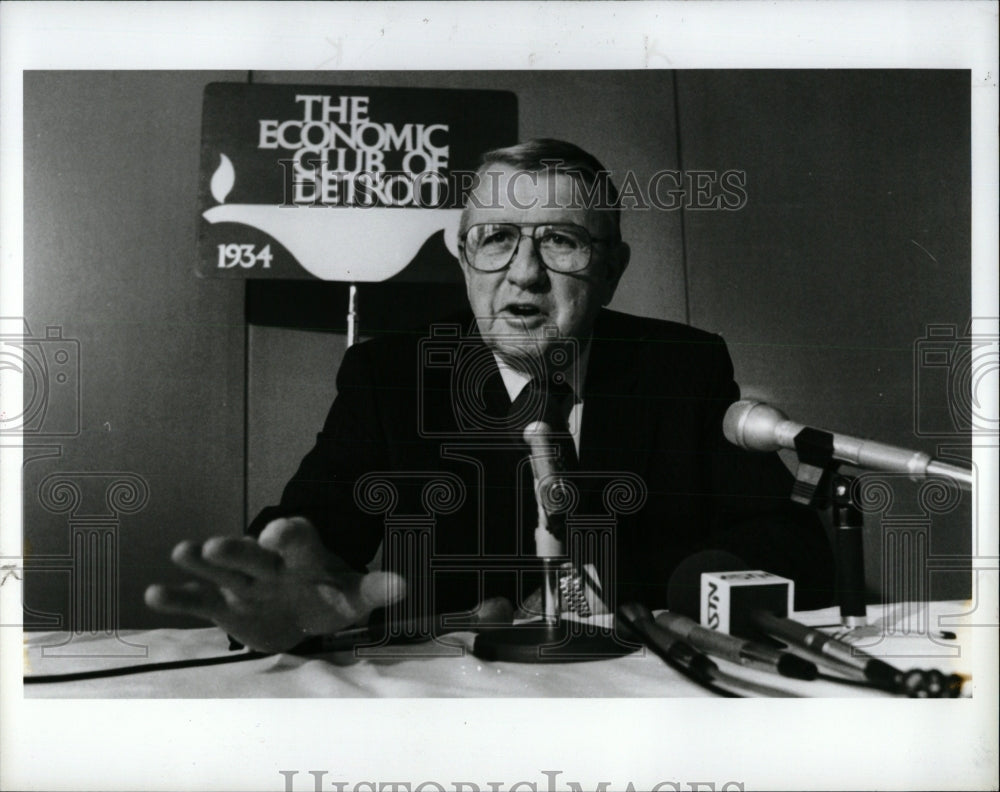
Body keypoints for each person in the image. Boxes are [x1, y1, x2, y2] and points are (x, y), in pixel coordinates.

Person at [146, 139, 835, 653]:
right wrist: (289, 598)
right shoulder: (391, 373)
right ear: (463, 257)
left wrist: (614, 590)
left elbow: (790, 544)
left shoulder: (679, 365)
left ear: (613, 269)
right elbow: (309, 540)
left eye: (561, 242)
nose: (524, 274)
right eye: (497, 239)